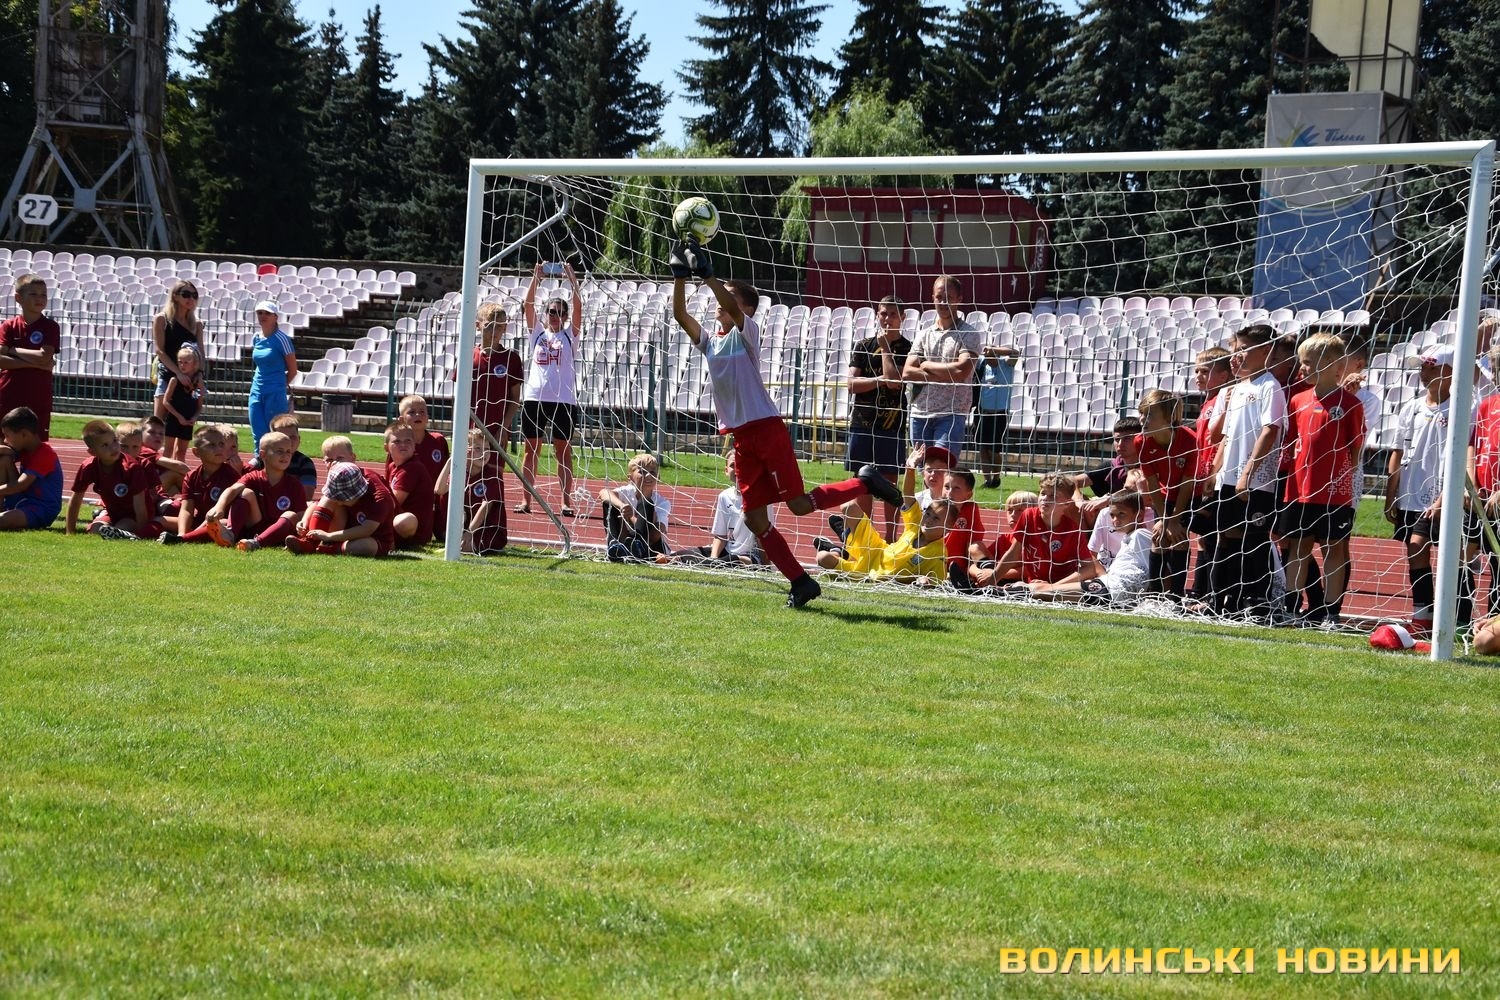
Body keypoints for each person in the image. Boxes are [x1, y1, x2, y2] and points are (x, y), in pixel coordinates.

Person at [669, 238, 904, 608]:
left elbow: (726, 302)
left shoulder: (746, 333)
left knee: (798, 504)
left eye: (729, 297)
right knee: (754, 519)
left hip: (766, 429)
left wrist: (709, 276)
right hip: (742, 438)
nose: (718, 303)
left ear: (745, 309)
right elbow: (681, 315)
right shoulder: (711, 343)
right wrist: (680, 276)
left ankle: (864, 482)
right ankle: (800, 582)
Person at [1386, 344, 1478, 634]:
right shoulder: (1411, 408)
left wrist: (1443, 497)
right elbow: (1398, 451)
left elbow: (1463, 454)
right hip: (1411, 495)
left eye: (1432, 367)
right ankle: (1422, 614)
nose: (1424, 372)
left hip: (1445, 495)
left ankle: (1460, 617)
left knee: (1455, 555)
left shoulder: (1464, 408)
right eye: (1423, 367)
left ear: (1451, 371)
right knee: (1415, 550)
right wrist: (1391, 493)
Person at [1278, 333, 1365, 626]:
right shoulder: (1297, 400)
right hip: (1298, 490)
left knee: (1333, 548)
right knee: (1298, 547)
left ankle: (1331, 612)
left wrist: (1339, 479)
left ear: (1329, 363)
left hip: (1334, 494)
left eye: (1307, 362)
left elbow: (1355, 450)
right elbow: (1291, 444)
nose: (1301, 369)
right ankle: (1290, 607)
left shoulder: (1350, 404)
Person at [1210, 323, 1286, 618]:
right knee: (1226, 536)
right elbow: (1226, 437)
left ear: (1265, 350)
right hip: (1228, 479)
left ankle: (1256, 602)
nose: (1236, 355)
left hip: (1255, 482)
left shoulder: (1270, 386)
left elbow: (1270, 430)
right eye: (1235, 349)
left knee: (1253, 539)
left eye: (1243, 349)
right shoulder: (1238, 388)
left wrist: (1247, 473)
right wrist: (1214, 472)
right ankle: (1221, 600)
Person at [814, 448, 957, 584]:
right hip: (877, 550)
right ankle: (847, 540)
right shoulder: (916, 525)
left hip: (868, 573)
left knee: (822, 558)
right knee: (848, 506)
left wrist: (924, 581)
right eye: (928, 514)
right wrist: (910, 467)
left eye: (936, 518)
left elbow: (935, 579)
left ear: (948, 527)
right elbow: (908, 495)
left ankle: (840, 549)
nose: (928, 520)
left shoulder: (938, 552)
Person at [518, 262, 584, 516]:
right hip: (535, 398)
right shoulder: (537, 334)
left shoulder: (569, 336)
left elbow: (579, 306)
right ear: (545, 314)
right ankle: (527, 501)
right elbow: (527, 306)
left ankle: (566, 502)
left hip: (563, 401)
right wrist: (536, 278)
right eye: (551, 312)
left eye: (560, 313)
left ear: (565, 317)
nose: (555, 316)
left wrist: (572, 279)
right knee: (531, 450)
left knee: (562, 452)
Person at [845, 296, 911, 535]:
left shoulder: (908, 348)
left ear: (902, 318)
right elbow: (852, 384)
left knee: (889, 480)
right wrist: (879, 380)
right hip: (862, 421)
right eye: (883, 313)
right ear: (877, 315)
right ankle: (866, 535)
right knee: (862, 478)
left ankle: (891, 537)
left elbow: (894, 382)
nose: (887, 319)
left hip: (891, 423)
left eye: (893, 314)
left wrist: (885, 349)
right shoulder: (862, 345)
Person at [901, 275, 982, 460]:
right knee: (922, 469)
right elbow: (907, 372)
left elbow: (961, 372)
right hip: (920, 413)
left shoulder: (969, 334)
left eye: (949, 298)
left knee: (942, 468)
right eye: (939, 297)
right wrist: (947, 373)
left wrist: (926, 364)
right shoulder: (923, 334)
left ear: (959, 300)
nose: (943, 302)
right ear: (933, 298)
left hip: (951, 414)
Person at [1029, 490, 1154, 607]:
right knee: (1042, 590)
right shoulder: (1129, 537)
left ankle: (1019, 590)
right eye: (1112, 515)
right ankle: (1022, 588)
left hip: (1112, 590)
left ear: (1139, 515)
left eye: (1121, 514)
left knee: (1040, 591)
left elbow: (1153, 569)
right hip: (1108, 587)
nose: (1115, 520)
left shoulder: (1141, 535)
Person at [1135, 389, 1199, 598]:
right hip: (1164, 496)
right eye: (1141, 413)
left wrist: (1175, 519)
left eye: (1150, 414)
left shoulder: (1189, 440)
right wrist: (1164, 518)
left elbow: (1187, 483)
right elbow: (1152, 483)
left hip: (1189, 496)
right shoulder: (1141, 442)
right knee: (1159, 537)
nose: (1143, 419)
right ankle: (1154, 595)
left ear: (1170, 418)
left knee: (1179, 537)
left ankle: (1177, 597)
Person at [204, 430, 308, 551]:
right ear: (263, 455)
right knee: (245, 493)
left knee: (290, 515)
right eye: (279, 451)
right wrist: (219, 506)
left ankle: (256, 543)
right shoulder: (253, 477)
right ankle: (230, 535)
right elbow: (232, 489)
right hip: (255, 527)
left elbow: (300, 516)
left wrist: (300, 527)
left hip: (279, 533)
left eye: (288, 451)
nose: (285, 455)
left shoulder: (294, 484)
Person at [659, 452, 767, 565]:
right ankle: (685, 559)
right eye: (732, 465)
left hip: (750, 556)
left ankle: (717, 562)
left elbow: (764, 536)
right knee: (682, 555)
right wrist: (713, 559)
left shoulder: (761, 497)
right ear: (726, 471)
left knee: (733, 560)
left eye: (741, 464)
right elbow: (721, 536)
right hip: (728, 551)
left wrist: (766, 565)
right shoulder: (724, 496)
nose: (737, 469)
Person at [66, 419, 159, 540]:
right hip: (112, 511)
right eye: (105, 445)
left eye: (115, 441)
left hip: (132, 515)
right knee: (95, 530)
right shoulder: (88, 467)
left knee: (122, 526)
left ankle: (120, 532)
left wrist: (141, 532)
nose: (113, 447)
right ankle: (107, 525)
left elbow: (140, 506)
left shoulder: (131, 467)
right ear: (92, 452)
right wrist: (70, 531)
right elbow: (76, 499)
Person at [285, 462, 395, 557]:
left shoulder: (380, 499)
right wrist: (304, 520)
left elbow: (366, 530)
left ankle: (327, 548)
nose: (338, 502)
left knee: (366, 546)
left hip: (373, 537)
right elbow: (317, 503)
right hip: (344, 528)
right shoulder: (353, 476)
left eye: (342, 498)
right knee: (327, 498)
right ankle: (309, 541)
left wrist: (328, 536)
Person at [0, 275, 60, 439]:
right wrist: (37, 363)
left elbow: (44, 357)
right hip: (8, 394)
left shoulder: (50, 326)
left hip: (38, 396)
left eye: (43, 294)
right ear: (18, 298)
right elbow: (1, 360)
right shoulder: (8, 326)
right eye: (33, 294)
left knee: (35, 444)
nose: (39, 298)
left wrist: (13, 350)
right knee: (4, 443)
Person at [162, 425, 240, 545]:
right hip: (199, 521)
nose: (219, 449)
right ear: (196, 452)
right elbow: (187, 509)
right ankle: (135, 536)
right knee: (160, 520)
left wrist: (190, 534)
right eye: (211, 445)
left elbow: (224, 515)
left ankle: (185, 539)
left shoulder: (231, 475)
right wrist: (182, 532)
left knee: (222, 523)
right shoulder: (191, 476)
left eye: (221, 444)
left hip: (219, 522)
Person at [436, 428, 508, 555]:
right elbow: (439, 490)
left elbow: (485, 507)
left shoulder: (493, 476)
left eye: (487, 449)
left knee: (464, 547)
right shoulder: (460, 472)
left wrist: (469, 533)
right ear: (465, 450)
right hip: (466, 529)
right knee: (457, 544)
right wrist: (450, 462)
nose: (484, 453)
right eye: (478, 448)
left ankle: (466, 541)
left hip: (488, 531)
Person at [599, 452, 672, 562]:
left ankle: (637, 547)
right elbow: (604, 493)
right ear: (630, 478)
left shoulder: (662, 502)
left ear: (658, 477)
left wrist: (631, 517)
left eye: (652, 472)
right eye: (642, 472)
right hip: (626, 538)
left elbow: (655, 535)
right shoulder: (626, 492)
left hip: (650, 546)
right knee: (609, 502)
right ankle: (615, 546)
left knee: (646, 503)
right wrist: (622, 506)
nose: (648, 476)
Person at [0, 406, 63, 530]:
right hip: (23, 499)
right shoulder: (24, 448)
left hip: (41, 508)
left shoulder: (45, 454)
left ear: (24, 434)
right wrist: (5, 450)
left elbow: (20, 485)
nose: (6, 440)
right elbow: (5, 452)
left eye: (7, 435)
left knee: (2, 520)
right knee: (4, 460)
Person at [471, 301, 525, 446]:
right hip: (470, 429)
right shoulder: (468, 356)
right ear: (478, 325)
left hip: (497, 430)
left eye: (499, 326)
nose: (494, 331)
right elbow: (458, 396)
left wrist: (503, 428)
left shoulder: (511, 359)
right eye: (489, 325)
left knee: (494, 462)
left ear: (505, 328)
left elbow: (515, 398)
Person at [152, 280, 203, 422]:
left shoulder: (196, 324)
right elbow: (160, 351)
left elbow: (201, 352)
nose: (191, 299)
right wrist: (178, 373)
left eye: (194, 295)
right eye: (186, 294)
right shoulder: (162, 319)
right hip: (168, 374)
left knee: (186, 421)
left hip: (190, 379)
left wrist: (200, 373)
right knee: (158, 422)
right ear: (175, 296)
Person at [248, 301, 297, 451]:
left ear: (275, 317)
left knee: (276, 434)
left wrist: (279, 386)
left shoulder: (282, 339)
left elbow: (293, 370)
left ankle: (279, 463)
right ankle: (259, 461)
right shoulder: (256, 337)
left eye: (267, 313)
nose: (263, 316)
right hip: (256, 390)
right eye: (260, 313)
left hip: (275, 392)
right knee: (257, 432)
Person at [398, 394, 449, 535]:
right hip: (412, 503)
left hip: (438, 501)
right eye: (412, 412)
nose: (418, 415)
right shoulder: (399, 446)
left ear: (427, 417)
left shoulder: (438, 441)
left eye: (422, 412)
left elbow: (448, 473)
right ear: (401, 419)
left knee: (444, 534)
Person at [973, 345, 1019, 488]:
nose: (988, 358)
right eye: (987, 356)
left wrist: (994, 350)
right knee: (982, 448)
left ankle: (996, 477)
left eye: (991, 355)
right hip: (982, 412)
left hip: (999, 413)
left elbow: (1015, 352)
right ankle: (987, 480)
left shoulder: (1007, 365)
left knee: (994, 449)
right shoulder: (982, 366)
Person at [384, 421, 436, 549]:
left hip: (412, 529)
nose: (403, 445)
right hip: (396, 520)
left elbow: (392, 503)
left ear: (414, 446)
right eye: (397, 441)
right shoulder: (392, 466)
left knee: (403, 520)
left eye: (408, 441)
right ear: (386, 448)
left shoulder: (412, 468)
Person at [245, 412, 318, 496]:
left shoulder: (305, 463)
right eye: (283, 437)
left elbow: (307, 494)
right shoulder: (262, 459)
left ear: (299, 439)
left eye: (293, 437)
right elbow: (243, 477)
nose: (289, 441)